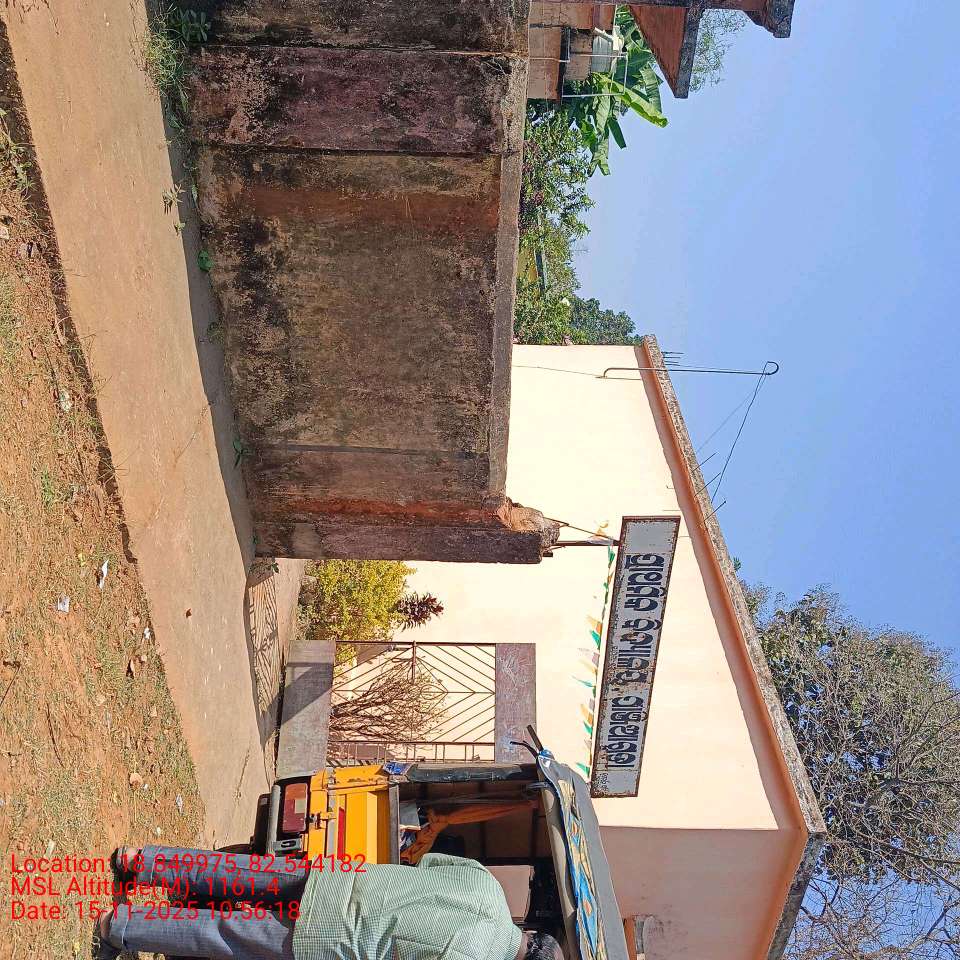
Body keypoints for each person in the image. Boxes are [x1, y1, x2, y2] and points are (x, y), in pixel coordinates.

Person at [96, 845, 565, 960]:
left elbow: (429, 864)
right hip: (335, 937)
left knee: (241, 873)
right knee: (227, 933)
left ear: (531, 934)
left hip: (344, 879)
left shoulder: (487, 885)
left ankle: (141, 861)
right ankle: (119, 925)